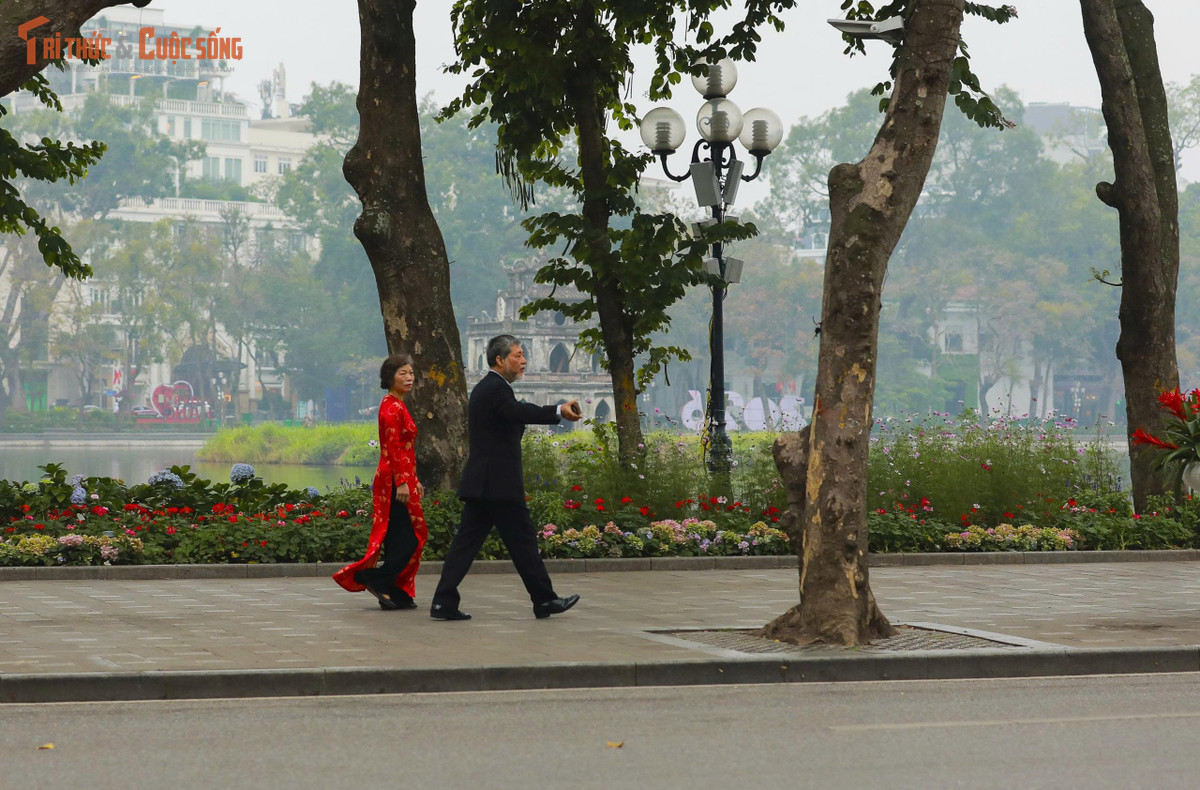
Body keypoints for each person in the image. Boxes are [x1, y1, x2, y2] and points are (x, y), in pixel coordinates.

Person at [430, 334, 583, 621]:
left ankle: (443, 602)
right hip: (498, 484)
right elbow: (517, 412)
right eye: (517, 355)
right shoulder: (495, 389)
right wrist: (557, 410)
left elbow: (510, 418)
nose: (523, 360)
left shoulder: (490, 388)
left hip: (485, 483)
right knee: (523, 542)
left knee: (467, 545)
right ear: (500, 360)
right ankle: (545, 600)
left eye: (524, 354)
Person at [333, 354, 427, 610]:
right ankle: (375, 578)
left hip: (401, 477)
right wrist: (402, 482)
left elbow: (406, 450)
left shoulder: (398, 404)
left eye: (410, 373)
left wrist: (413, 478)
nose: (408, 378)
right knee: (409, 539)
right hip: (392, 480)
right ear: (389, 378)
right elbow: (393, 449)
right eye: (402, 374)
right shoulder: (392, 407)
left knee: (402, 538)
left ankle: (392, 590)